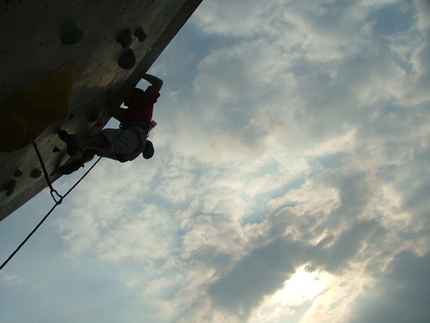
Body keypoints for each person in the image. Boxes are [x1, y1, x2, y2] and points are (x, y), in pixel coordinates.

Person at [57, 73, 163, 175]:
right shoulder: (126, 113)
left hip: (135, 140)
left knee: (107, 136)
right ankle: (80, 162)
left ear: (137, 94)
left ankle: (78, 143)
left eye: (129, 94)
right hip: (126, 152)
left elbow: (158, 83)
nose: (125, 98)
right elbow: (113, 112)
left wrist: (141, 74)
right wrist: (110, 108)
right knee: (95, 145)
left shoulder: (145, 100)